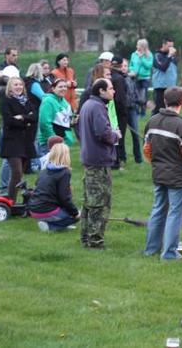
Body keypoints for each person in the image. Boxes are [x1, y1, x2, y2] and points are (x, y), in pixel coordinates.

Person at [143, 87, 182, 260]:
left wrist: (156, 164)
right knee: (176, 213)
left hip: (158, 173)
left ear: (165, 101)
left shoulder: (152, 121)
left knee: (158, 209)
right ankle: (169, 253)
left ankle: (151, 249)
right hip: (179, 177)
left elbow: (147, 148)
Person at [77, 78, 120, 249]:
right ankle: (95, 241)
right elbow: (103, 133)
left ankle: (85, 237)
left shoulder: (88, 104)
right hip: (98, 161)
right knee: (99, 203)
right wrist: (116, 135)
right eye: (111, 88)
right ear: (101, 91)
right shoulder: (97, 107)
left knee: (89, 202)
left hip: (90, 158)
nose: (113, 91)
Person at [0, 76, 38, 202]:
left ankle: (14, 200)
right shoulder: (6, 101)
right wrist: (27, 121)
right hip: (12, 142)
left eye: (20, 84)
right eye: (15, 84)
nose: (19, 87)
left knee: (20, 175)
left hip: (26, 142)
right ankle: (10, 202)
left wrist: (22, 117)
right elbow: (9, 121)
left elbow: (35, 117)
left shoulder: (27, 101)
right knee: (16, 172)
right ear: (10, 87)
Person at [29, 143, 80, 232]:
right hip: (47, 209)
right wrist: (75, 213)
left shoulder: (44, 170)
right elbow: (64, 198)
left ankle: (50, 221)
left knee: (68, 210)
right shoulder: (64, 172)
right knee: (76, 216)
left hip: (33, 208)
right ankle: (51, 226)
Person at [37, 79, 75, 156]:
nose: (63, 88)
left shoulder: (63, 100)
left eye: (65, 86)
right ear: (53, 89)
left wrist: (73, 120)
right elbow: (44, 123)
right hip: (49, 143)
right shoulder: (48, 101)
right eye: (60, 87)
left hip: (62, 141)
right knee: (51, 163)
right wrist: (54, 140)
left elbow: (66, 119)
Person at [109, 56, 129, 168]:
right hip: (119, 113)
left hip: (110, 111)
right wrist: (124, 112)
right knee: (119, 136)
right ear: (121, 65)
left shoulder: (109, 76)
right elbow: (120, 98)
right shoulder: (120, 79)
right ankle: (117, 160)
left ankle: (115, 159)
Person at [123, 62, 143, 164]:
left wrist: (142, 102)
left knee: (135, 134)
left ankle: (138, 158)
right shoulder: (118, 79)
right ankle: (122, 158)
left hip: (132, 109)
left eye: (126, 66)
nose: (124, 68)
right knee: (120, 136)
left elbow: (135, 93)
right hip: (122, 110)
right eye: (122, 66)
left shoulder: (131, 79)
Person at [152, 37, 178, 115]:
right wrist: (169, 56)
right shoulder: (157, 55)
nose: (171, 49)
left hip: (171, 87)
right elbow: (163, 68)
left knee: (170, 110)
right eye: (169, 46)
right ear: (163, 45)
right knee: (159, 110)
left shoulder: (172, 56)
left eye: (172, 46)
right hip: (160, 88)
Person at [129, 38, 153, 116]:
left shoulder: (149, 55)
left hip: (145, 78)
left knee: (143, 95)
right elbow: (130, 65)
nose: (137, 46)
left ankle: (143, 112)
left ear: (143, 46)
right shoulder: (133, 54)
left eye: (138, 45)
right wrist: (132, 70)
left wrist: (142, 58)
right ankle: (136, 111)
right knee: (135, 94)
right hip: (135, 77)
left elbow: (149, 66)